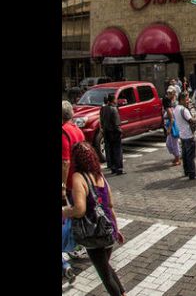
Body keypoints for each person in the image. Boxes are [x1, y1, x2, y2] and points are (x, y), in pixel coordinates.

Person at [62, 142, 127, 296]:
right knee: (106, 267)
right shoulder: (100, 176)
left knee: (104, 274)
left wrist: (65, 212)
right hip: (108, 230)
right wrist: (116, 230)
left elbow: (80, 209)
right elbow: (110, 206)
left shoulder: (79, 177)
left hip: (93, 234)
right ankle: (123, 293)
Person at [62, 100, 87, 279]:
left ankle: (71, 246)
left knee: (68, 216)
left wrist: (62, 185)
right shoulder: (78, 131)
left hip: (70, 180)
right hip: (80, 179)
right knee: (78, 215)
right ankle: (77, 246)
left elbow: (65, 161)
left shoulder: (64, 132)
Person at [174, 91, 196, 180]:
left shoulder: (176, 108)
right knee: (190, 156)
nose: (188, 101)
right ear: (182, 99)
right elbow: (192, 120)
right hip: (188, 135)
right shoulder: (184, 110)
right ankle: (192, 174)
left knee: (184, 154)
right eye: (187, 99)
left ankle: (186, 171)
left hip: (182, 134)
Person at [100, 93, 124, 175]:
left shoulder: (104, 108)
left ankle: (113, 167)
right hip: (114, 133)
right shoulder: (114, 109)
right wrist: (120, 132)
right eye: (115, 99)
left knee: (110, 151)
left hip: (107, 132)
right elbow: (117, 124)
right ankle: (119, 168)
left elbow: (102, 121)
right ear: (113, 100)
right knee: (117, 151)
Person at [163, 87, 181, 166]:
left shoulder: (169, 108)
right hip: (171, 126)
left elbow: (172, 119)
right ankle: (176, 156)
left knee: (173, 143)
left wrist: (169, 129)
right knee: (169, 144)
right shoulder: (169, 107)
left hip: (172, 127)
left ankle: (178, 158)